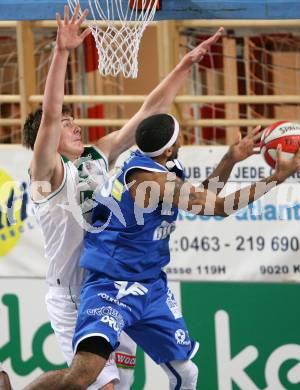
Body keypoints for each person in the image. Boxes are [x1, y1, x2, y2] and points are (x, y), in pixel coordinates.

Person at [23, 110, 300, 390]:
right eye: (178, 138)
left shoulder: (162, 167)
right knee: (83, 375)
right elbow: (219, 207)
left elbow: (205, 196)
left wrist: (230, 158)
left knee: (186, 373)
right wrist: (278, 178)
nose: (181, 142)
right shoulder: (149, 180)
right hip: (111, 285)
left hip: (148, 285)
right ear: (170, 149)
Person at [22, 4, 226, 390]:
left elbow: (148, 113)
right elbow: (49, 116)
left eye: (73, 120)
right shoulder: (45, 175)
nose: (74, 125)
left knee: (124, 381)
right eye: (67, 125)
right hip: (71, 293)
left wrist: (185, 65)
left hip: (112, 283)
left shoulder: (98, 155)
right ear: (44, 144)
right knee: (94, 383)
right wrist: (63, 53)